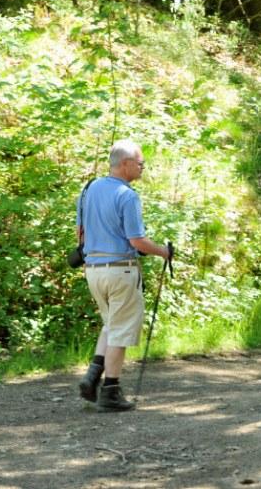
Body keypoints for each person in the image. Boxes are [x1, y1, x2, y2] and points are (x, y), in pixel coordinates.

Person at [76, 139, 172, 412]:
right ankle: (111, 391)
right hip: (121, 269)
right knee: (120, 331)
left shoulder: (87, 191)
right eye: (140, 164)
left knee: (111, 323)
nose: (143, 168)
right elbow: (137, 241)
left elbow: (80, 235)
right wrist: (164, 252)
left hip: (93, 270)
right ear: (125, 164)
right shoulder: (127, 195)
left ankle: (92, 376)